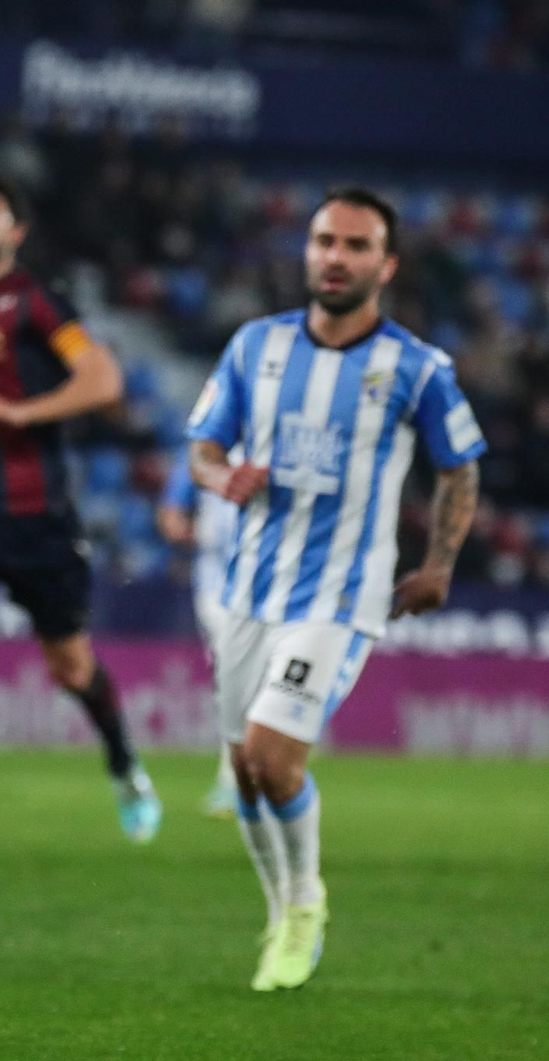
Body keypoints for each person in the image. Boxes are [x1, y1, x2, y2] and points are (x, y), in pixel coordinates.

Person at [187, 187, 484, 991]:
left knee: (272, 758)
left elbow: (459, 467)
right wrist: (220, 477)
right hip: (250, 591)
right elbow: (203, 447)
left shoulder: (416, 367)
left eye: (356, 245)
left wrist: (441, 562)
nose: (336, 257)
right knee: (244, 771)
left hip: (340, 598)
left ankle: (307, 903)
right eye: (325, 241)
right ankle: (281, 909)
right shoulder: (256, 345)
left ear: (386, 265)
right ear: (308, 249)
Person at [0, 178, 162, 843]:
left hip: (36, 515)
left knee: (71, 668)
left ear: (15, 232)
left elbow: (103, 379)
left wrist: (21, 411)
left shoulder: (36, 302)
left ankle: (124, 763)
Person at [157, 451, 240, 817]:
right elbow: (170, 516)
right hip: (217, 585)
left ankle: (257, 770)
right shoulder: (205, 448)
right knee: (233, 675)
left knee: (252, 679)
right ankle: (233, 778)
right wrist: (202, 533)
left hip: (270, 582)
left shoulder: (271, 441)